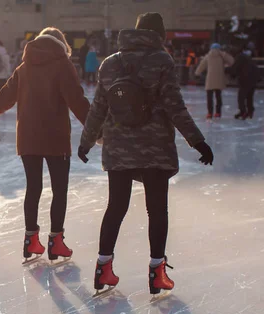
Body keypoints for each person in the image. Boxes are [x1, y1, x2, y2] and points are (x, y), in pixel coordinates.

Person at [77, 12, 214, 295]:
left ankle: (103, 268)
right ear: (158, 34)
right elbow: (175, 106)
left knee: (116, 207)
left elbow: (98, 109)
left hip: (117, 149)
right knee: (157, 209)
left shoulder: (110, 63)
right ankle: (156, 273)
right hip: (154, 148)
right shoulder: (161, 61)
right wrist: (198, 142)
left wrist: (86, 142)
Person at [0, 27, 91, 263]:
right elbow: (77, 100)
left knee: (33, 188)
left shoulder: (24, 68)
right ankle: (56, 242)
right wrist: (97, 128)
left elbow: (4, 96)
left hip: (27, 137)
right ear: (61, 45)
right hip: (55, 138)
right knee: (59, 190)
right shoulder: (62, 65)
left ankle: (31, 240)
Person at [195, 43, 234, 119]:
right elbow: (232, 61)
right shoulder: (222, 56)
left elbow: (201, 65)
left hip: (210, 79)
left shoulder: (208, 56)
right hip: (219, 79)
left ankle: (210, 113)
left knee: (209, 97)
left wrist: (197, 73)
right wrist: (223, 54)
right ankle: (218, 112)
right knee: (218, 96)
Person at [229, 48, 259, 120]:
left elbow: (235, 68)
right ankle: (250, 111)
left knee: (241, 97)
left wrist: (229, 72)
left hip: (245, 80)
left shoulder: (239, 58)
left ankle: (243, 111)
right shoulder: (247, 58)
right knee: (249, 96)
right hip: (253, 79)